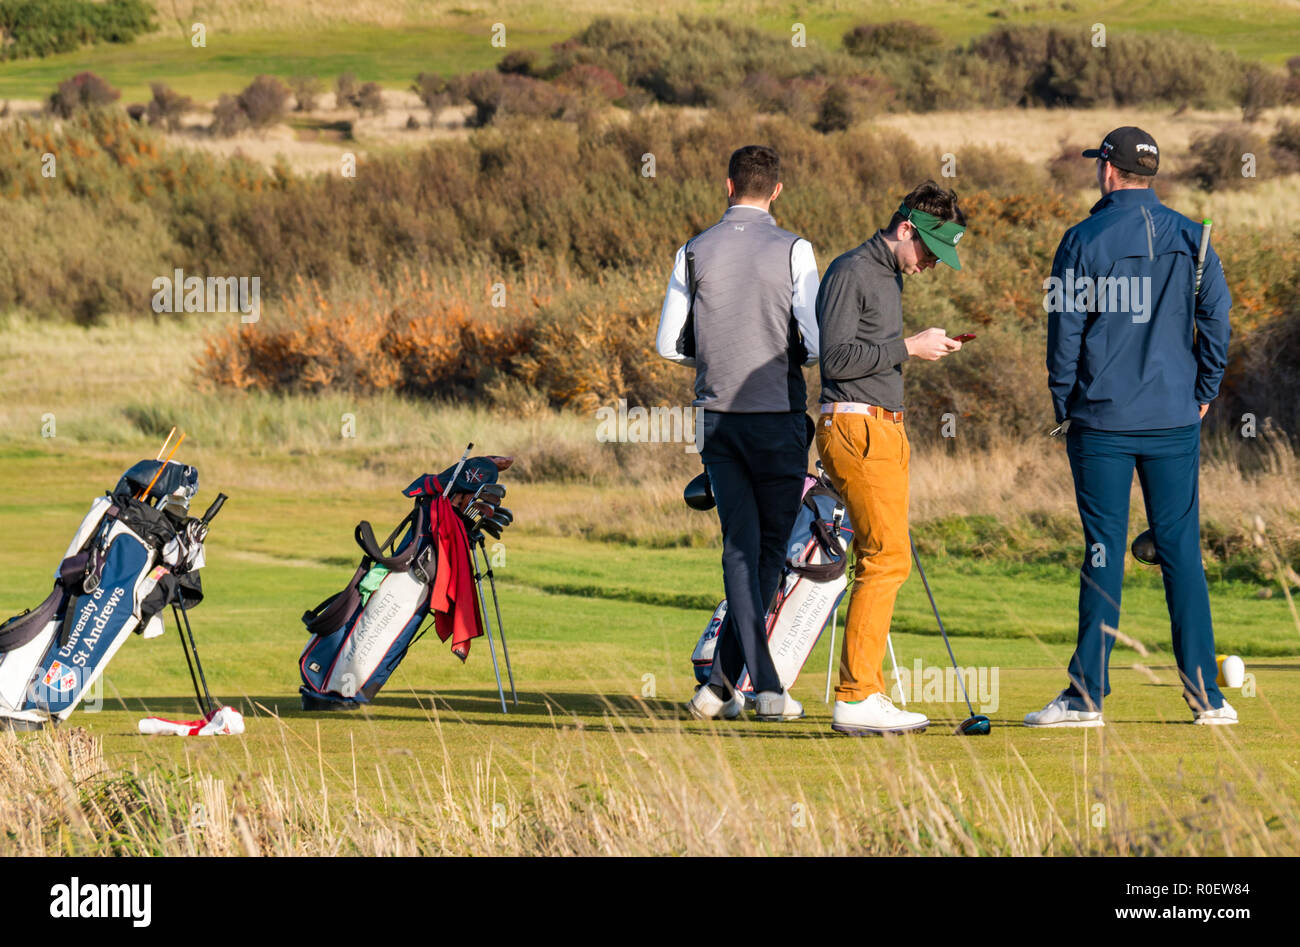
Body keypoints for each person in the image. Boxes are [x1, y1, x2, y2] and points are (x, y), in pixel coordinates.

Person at [1028, 126, 1234, 727]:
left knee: (1102, 550)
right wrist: (1204, 391)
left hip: (1103, 420)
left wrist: (1063, 401)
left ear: (1109, 171)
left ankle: (1085, 696)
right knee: (1179, 553)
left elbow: (1063, 331)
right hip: (1173, 418)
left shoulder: (1081, 239)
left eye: (1100, 165)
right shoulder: (1193, 236)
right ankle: (1208, 699)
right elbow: (1216, 321)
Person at [655, 144, 820, 722]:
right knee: (763, 550)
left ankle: (720, 685)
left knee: (745, 546)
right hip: (777, 417)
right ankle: (766, 686)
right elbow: (817, 342)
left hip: (717, 419)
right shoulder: (796, 249)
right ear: (776, 190)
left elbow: (669, 344)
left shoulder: (693, 250)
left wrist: (718, 356)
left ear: (728, 185)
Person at [815, 181, 968, 736]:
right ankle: (857, 697)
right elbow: (833, 357)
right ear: (907, 227)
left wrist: (919, 346)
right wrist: (910, 346)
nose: (930, 264)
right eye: (929, 251)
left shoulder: (887, 274)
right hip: (857, 427)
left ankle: (866, 691)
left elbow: (867, 351)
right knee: (886, 560)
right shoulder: (852, 270)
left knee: (883, 558)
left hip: (882, 429)